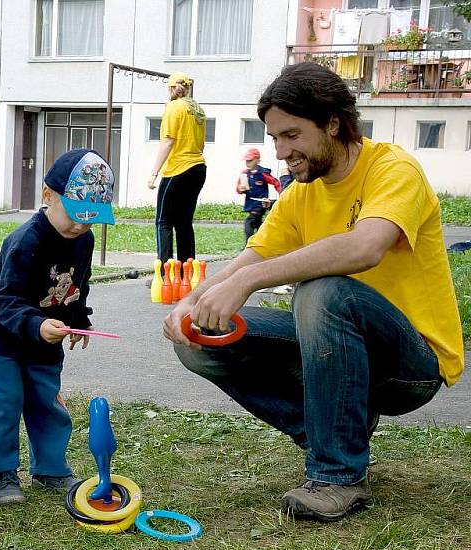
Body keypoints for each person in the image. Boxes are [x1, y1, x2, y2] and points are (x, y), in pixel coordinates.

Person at [162, 62, 463, 522]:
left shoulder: (393, 168)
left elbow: (365, 247)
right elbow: (254, 256)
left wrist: (246, 283)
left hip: (411, 362)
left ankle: (338, 475)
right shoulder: (301, 193)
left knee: (322, 291)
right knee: (202, 338)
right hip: (339, 346)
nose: (281, 151)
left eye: (292, 135)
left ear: (333, 124)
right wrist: (193, 300)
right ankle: (340, 434)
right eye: (275, 138)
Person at [0, 148, 115, 505]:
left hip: (46, 335)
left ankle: (50, 469)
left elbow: (76, 283)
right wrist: (37, 325)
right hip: (1, 336)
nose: (82, 225)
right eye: (76, 213)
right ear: (48, 196)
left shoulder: (84, 239)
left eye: (92, 217)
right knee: (6, 401)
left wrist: (78, 318)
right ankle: (3, 473)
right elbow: (7, 300)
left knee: (46, 401)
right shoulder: (25, 241)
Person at [147, 72, 207, 264]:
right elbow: (201, 143)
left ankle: (164, 272)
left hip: (178, 169)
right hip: (198, 168)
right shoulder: (197, 109)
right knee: (184, 223)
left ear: (172, 88)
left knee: (163, 221)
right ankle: (187, 272)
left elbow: (167, 141)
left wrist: (154, 173)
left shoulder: (174, 107)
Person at [237, 147, 281, 242]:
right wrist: (241, 189)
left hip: (260, 204)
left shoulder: (263, 173)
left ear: (257, 161)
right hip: (250, 203)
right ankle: (264, 240)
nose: (247, 163)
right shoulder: (244, 174)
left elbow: (276, 182)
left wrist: (282, 193)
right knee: (258, 224)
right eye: (246, 161)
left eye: (250, 160)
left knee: (249, 223)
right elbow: (238, 188)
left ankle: (248, 245)